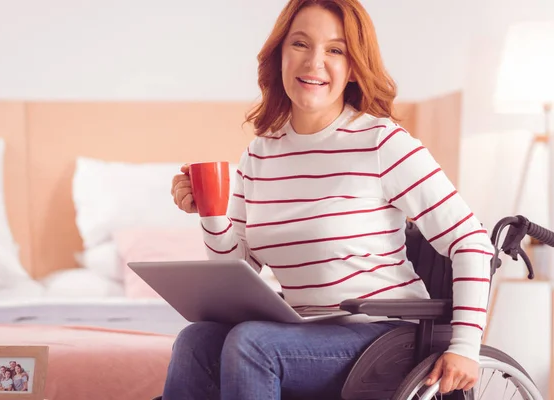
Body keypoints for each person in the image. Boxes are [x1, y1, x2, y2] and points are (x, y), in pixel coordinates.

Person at [167, 0, 492, 398]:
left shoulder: (381, 142)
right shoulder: (260, 154)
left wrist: (465, 347)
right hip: (303, 333)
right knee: (196, 340)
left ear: (353, 67)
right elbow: (236, 272)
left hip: (384, 336)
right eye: (300, 44)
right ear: (280, 55)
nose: (314, 62)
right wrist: (211, 214)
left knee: (252, 344)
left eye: (335, 50)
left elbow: (472, 240)